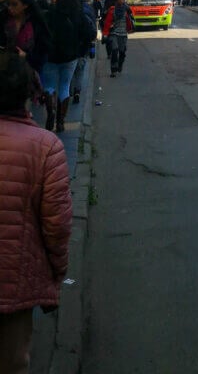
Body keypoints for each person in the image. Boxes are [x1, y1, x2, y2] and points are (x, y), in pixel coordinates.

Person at [0, 52, 72, 374]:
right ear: (28, 94)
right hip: (15, 280)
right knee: (12, 361)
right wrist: (57, 270)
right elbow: (57, 226)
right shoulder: (46, 147)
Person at [41, 0, 92, 133]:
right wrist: (80, 50)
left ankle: (50, 111)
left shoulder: (50, 14)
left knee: (49, 85)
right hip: (70, 57)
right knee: (65, 86)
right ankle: (60, 121)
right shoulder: (79, 16)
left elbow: (41, 32)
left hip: (51, 56)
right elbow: (89, 35)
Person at [69, 0, 98, 106]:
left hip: (71, 50)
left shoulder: (69, 14)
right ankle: (77, 91)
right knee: (80, 71)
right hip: (83, 49)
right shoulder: (88, 13)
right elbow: (92, 31)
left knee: (71, 72)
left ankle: (69, 91)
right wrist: (91, 44)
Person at [102, 0, 135, 77]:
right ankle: (113, 70)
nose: (121, 1)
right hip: (114, 33)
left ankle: (120, 64)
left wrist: (131, 27)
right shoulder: (112, 10)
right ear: (116, 1)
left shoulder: (127, 9)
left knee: (122, 52)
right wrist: (105, 34)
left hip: (123, 34)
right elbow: (107, 22)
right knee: (114, 50)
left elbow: (131, 19)